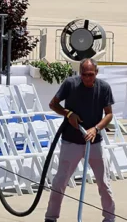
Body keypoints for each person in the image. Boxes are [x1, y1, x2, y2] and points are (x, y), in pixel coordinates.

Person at [44, 58, 116, 222]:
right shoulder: (70, 84)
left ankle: (110, 218)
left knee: (104, 182)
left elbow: (109, 114)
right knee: (60, 181)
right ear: (80, 73)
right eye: (84, 75)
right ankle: (50, 217)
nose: (88, 78)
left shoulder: (104, 88)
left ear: (96, 73)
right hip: (71, 141)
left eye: (91, 74)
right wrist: (69, 114)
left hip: (94, 142)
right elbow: (53, 104)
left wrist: (96, 129)